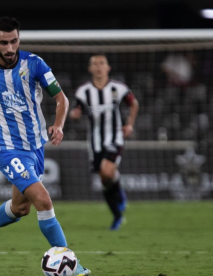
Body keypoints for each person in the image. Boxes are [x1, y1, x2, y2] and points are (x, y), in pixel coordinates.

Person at [0, 17, 91, 275]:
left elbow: (61, 98)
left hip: (35, 146)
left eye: (14, 41)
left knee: (20, 208)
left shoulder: (35, 64)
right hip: (5, 148)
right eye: (4, 42)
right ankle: (71, 265)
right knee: (43, 199)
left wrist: (59, 125)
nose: (9, 48)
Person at [69, 54, 139, 230]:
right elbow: (77, 110)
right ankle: (117, 215)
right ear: (90, 69)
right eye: (95, 64)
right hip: (95, 142)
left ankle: (119, 196)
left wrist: (129, 125)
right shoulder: (83, 92)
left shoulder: (119, 88)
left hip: (115, 137)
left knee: (106, 171)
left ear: (108, 68)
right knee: (104, 179)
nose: (99, 66)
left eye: (102, 63)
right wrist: (75, 115)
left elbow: (134, 104)